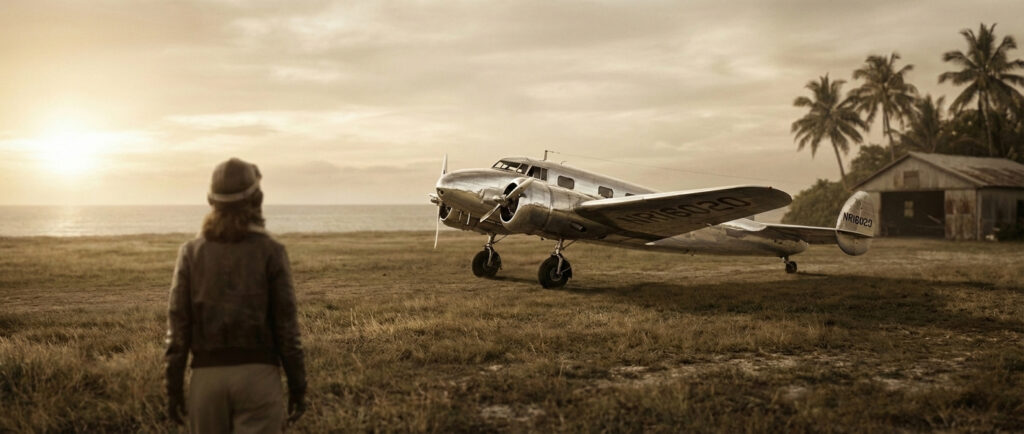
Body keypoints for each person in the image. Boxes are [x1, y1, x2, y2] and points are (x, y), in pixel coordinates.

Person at [164, 158, 307, 432]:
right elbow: (287, 331)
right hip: (259, 378)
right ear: (258, 199)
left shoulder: (190, 253)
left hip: (205, 380)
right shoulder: (272, 251)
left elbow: (178, 331)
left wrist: (173, 389)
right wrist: (298, 387)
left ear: (210, 200)